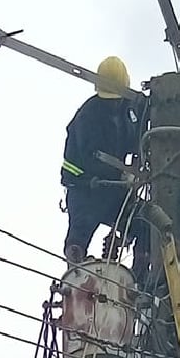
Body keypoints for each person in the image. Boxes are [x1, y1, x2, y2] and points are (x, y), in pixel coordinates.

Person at [60, 56, 147, 264]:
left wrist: (146, 108)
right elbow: (87, 159)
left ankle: (140, 280)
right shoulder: (87, 117)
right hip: (85, 187)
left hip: (115, 189)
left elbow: (135, 139)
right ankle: (78, 272)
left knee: (146, 225)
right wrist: (119, 173)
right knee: (78, 238)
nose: (114, 102)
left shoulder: (129, 108)